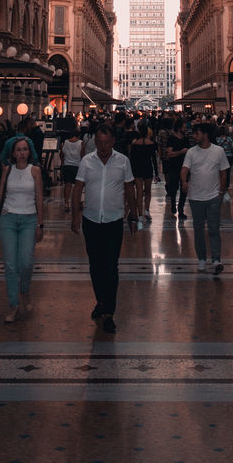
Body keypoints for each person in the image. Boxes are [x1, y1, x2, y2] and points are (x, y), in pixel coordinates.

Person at [71, 122, 140, 333]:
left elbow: (129, 189)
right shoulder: (86, 161)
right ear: (95, 142)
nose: (103, 147)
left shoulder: (123, 162)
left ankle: (109, 312)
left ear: (113, 142)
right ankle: (101, 301)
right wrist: (75, 215)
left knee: (111, 267)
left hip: (113, 220)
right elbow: (78, 189)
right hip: (91, 220)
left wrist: (134, 215)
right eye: (99, 143)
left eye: (107, 143)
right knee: (95, 266)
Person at [0, 137, 44, 322]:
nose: (21, 153)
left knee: (26, 262)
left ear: (30, 152)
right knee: (11, 265)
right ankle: (13, 305)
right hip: (8, 219)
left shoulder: (35, 171)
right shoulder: (7, 170)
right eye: (18, 149)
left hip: (29, 219)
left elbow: (39, 198)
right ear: (12, 153)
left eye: (25, 149)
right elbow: (0, 193)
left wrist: (40, 225)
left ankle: (25, 290)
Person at [181, 121, 230, 273]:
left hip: (214, 196)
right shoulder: (191, 152)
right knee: (198, 230)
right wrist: (184, 181)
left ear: (205, 134)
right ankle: (201, 258)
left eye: (197, 133)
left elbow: (224, 172)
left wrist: (221, 192)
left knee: (214, 229)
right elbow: (184, 169)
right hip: (196, 198)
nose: (194, 136)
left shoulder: (218, 151)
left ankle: (216, 260)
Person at [129, 119, 156, 222]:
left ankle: (139, 214)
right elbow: (153, 159)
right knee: (148, 191)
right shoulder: (151, 144)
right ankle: (147, 210)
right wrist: (157, 173)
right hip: (148, 168)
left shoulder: (135, 144)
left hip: (138, 169)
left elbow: (133, 159)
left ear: (139, 131)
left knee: (139, 192)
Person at [163, 119, 190, 218]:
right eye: (184, 127)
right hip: (173, 167)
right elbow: (169, 153)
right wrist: (180, 152)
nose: (185, 129)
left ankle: (181, 209)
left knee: (184, 189)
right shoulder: (171, 139)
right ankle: (173, 206)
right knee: (173, 188)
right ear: (179, 128)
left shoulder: (186, 139)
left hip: (184, 167)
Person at [59, 126, 83, 212]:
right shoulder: (80, 143)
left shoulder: (65, 142)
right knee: (78, 186)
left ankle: (66, 203)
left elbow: (61, 154)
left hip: (67, 166)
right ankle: (78, 202)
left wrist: (63, 162)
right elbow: (82, 155)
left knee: (67, 185)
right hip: (77, 166)